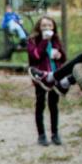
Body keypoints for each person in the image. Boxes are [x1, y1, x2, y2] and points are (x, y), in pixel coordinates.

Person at [25, 17, 66, 146]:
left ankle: (55, 134)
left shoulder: (56, 40)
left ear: (53, 27)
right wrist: (44, 41)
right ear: (39, 27)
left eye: (49, 25)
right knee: (40, 104)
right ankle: (41, 135)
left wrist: (60, 55)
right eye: (44, 25)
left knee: (53, 105)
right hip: (40, 78)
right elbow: (36, 55)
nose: (47, 28)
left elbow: (63, 57)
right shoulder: (33, 40)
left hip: (55, 76)